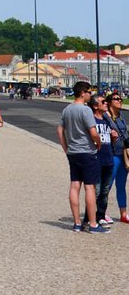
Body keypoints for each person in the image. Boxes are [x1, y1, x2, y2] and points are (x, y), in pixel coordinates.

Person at [57, 80, 107, 234]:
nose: (90, 95)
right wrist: (98, 142)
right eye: (89, 92)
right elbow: (93, 132)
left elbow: (60, 130)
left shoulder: (67, 109)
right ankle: (92, 224)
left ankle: (77, 223)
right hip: (86, 151)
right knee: (90, 187)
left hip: (73, 152)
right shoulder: (85, 111)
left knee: (74, 185)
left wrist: (66, 148)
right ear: (82, 92)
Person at [82, 95, 114, 229]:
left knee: (105, 191)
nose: (106, 104)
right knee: (96, 191)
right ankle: (89, 218)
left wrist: (113, 136)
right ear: (95, 106)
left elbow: (110, 140)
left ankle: (101, 215)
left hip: (108, 159)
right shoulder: (92, 120)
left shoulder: (106, 119)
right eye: (103, 102)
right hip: (96, 159)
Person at [104, 92, 129, 224]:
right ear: (109, 102)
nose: (120, 100)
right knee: (107, 185)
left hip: (123, 154)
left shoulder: (121, 116)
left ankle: (123, 214)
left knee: (121, 185)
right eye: (116, 99)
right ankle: (102, 212)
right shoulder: (105, 116)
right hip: (112, 155)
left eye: (120, 98)